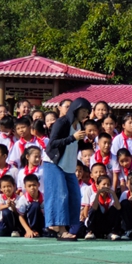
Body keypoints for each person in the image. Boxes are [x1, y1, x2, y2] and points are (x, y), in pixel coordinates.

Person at [43, 97, 91, 240]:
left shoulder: (79, 125)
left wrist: (88, 143)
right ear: (75, 109)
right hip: (54, 163)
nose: (85, 114)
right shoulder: (62, 122)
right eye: (83, 111)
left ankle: (60, 226)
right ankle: (61, 230)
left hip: (69, 165)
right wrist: (73, 137)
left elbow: (75, 145)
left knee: (75, 195)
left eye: (87, 112)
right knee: (61, 195)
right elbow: (52, 143)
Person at [85, 175, 123, 240]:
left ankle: (112, 232)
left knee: (114, 209)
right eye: (104, 184)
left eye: (108, 184)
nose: (106, 186)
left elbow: (119, 208)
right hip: (97, 223)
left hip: (107, 223)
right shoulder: (94, 196)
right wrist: (98, 193)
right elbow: (94, 208)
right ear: (97, 186)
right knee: (94, 209)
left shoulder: (111, 196)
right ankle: (90, 232)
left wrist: (113, 193)